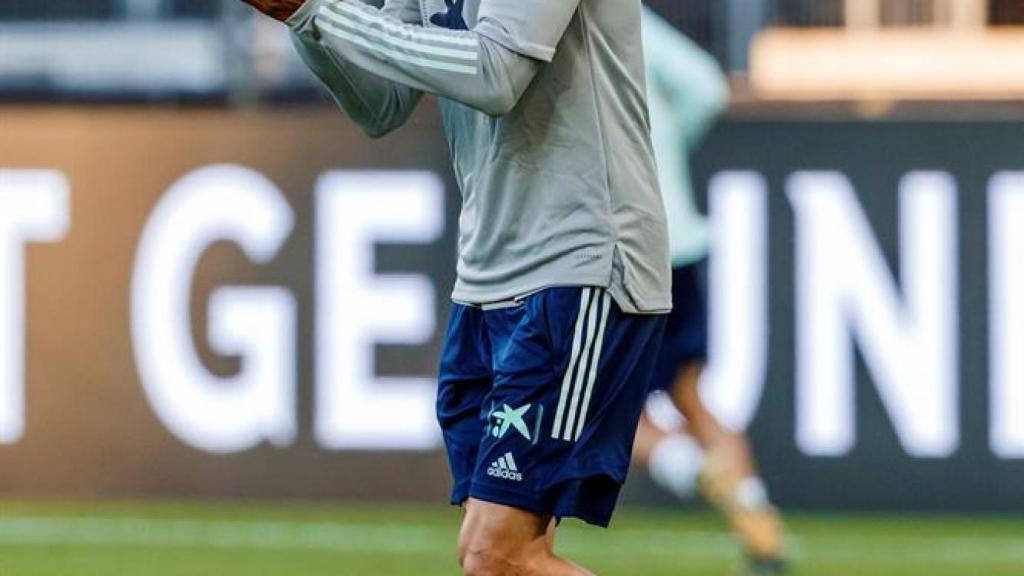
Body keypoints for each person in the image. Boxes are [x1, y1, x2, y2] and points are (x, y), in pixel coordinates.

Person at [237, 0, 672, 574]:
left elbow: (496, 73)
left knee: (497, 554)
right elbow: (380, 103)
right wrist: (302, 19)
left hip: (580, 258)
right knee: (495, 554)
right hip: (487, 277)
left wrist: (324, 12)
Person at [631, 7, 787, 575]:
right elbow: (704, 86)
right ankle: (760, 525)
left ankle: (692, 468)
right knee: (690, 392)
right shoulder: (629, 16)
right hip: (679, 236)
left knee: (602, 412)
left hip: (615, 245)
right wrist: (664, 155)